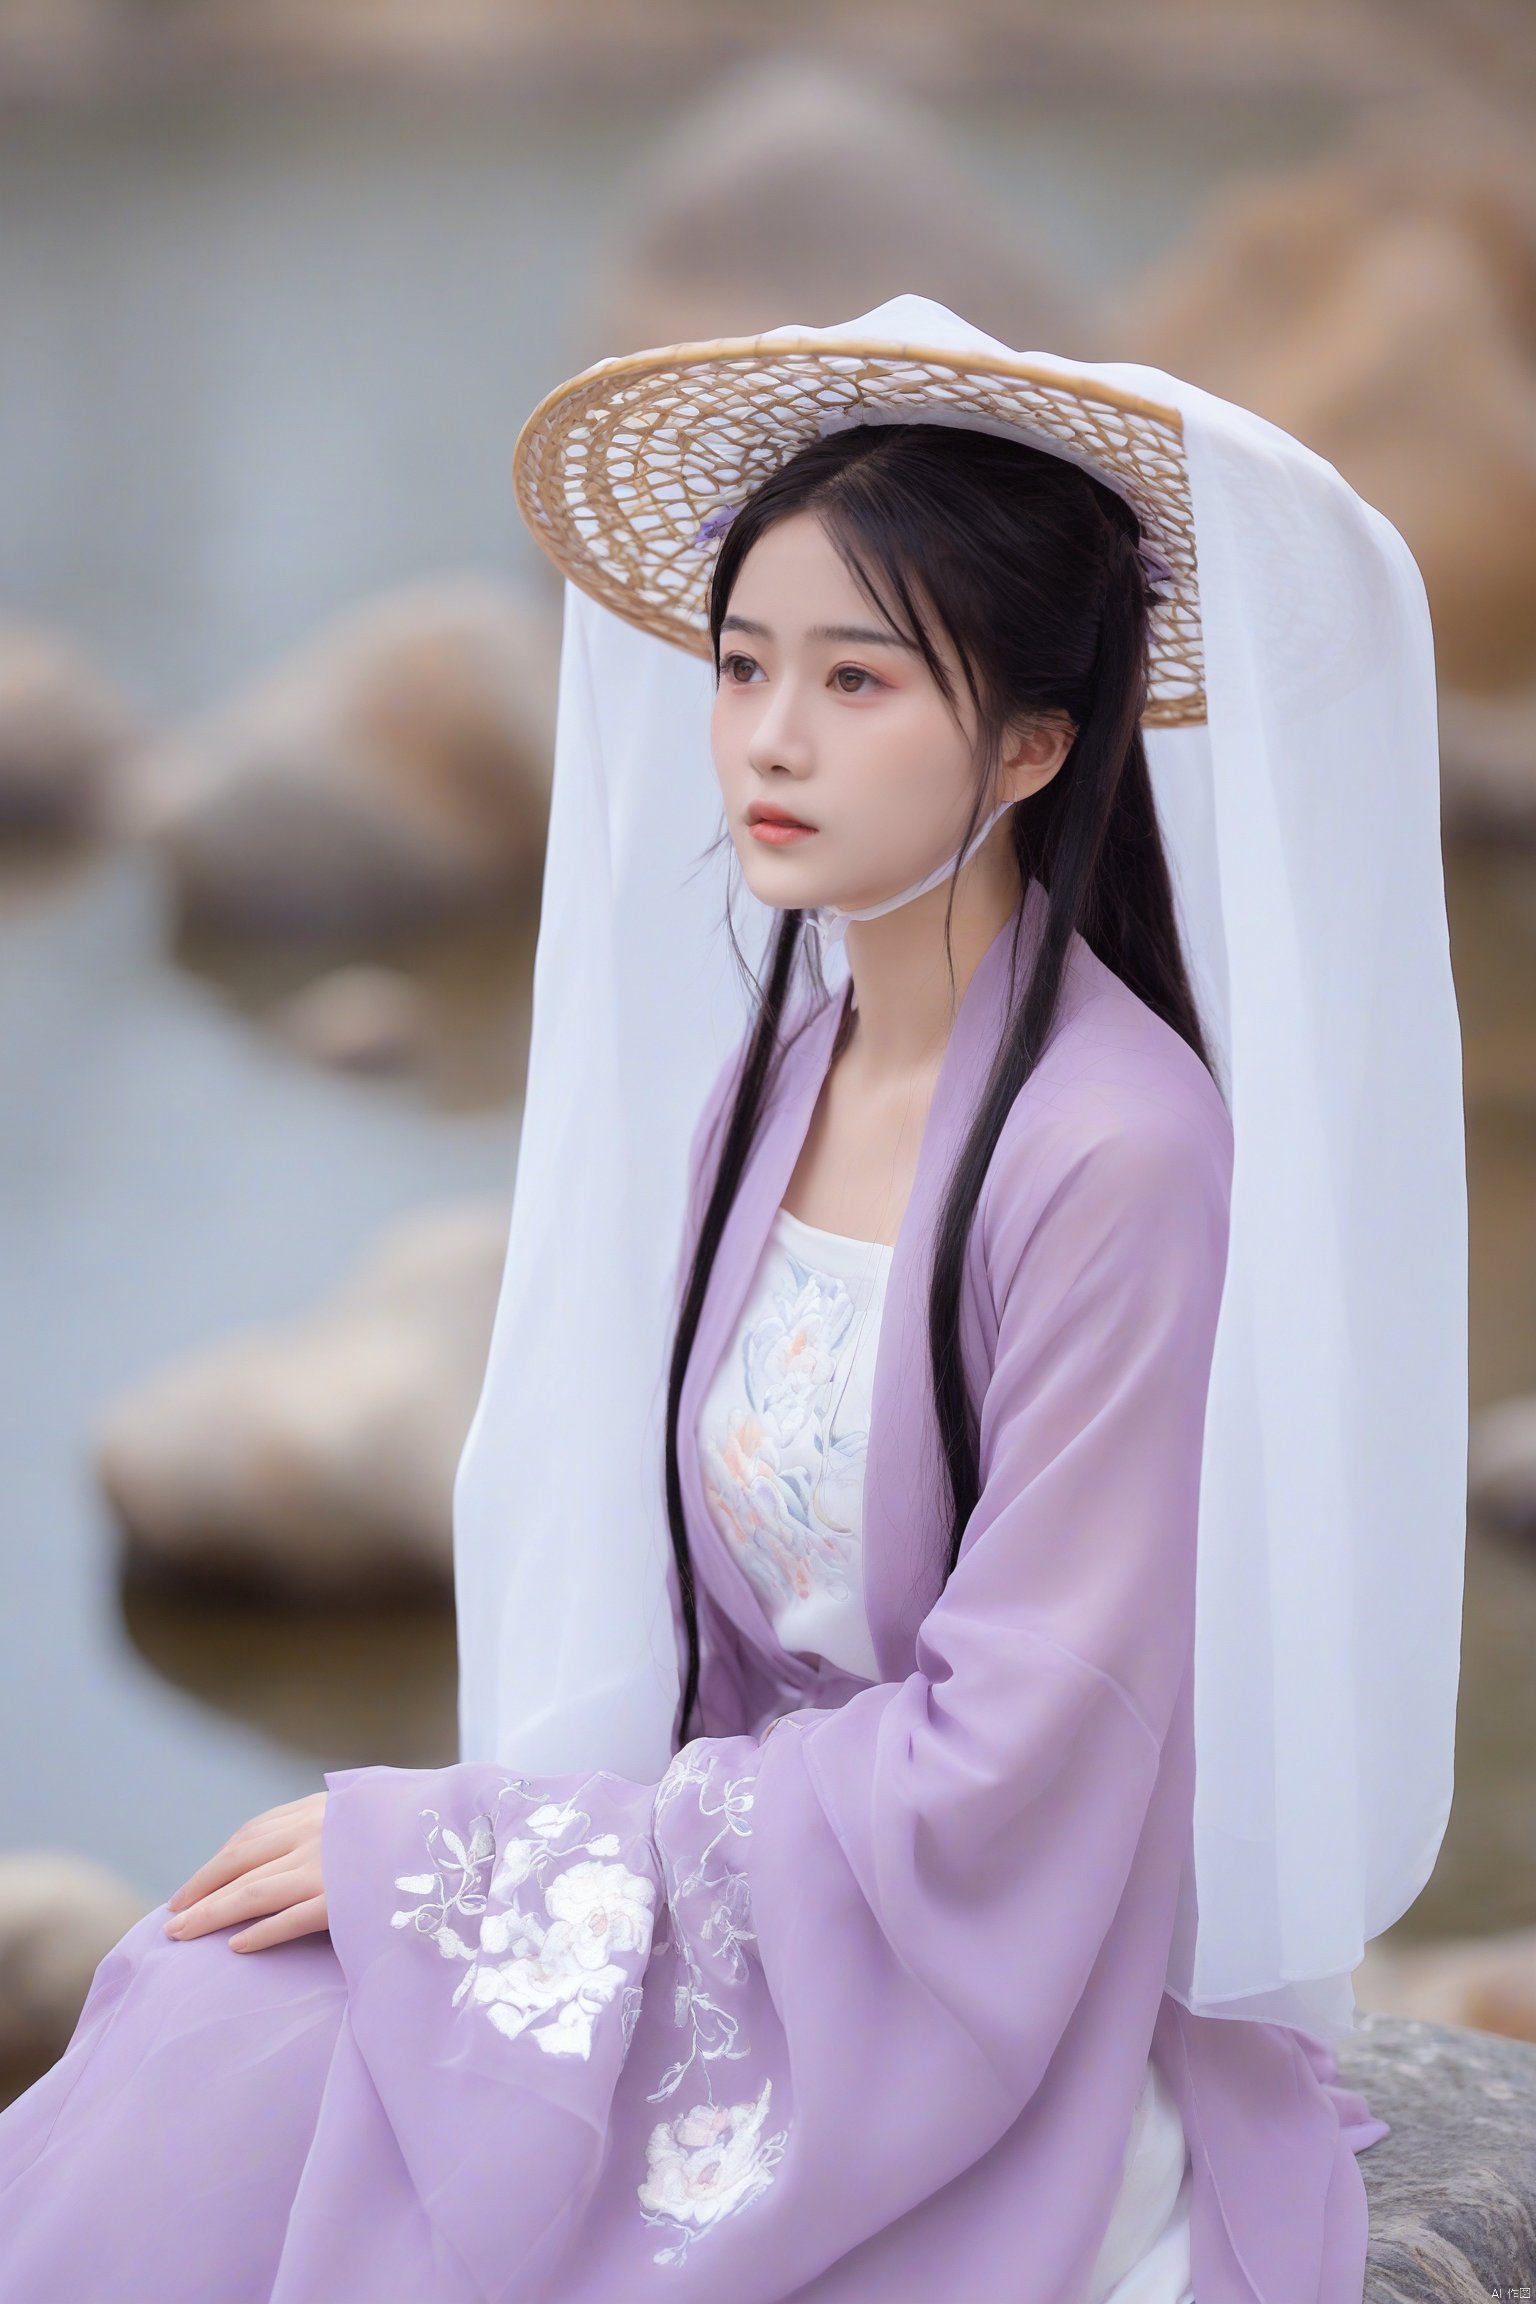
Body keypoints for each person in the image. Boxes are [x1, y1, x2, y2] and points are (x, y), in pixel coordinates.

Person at [0, 297, 1466, 2303]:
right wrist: (484, 1866)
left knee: (272, 2070)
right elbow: (717, 1664)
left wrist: (472, 1866)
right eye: (745, 665)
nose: (770, 738)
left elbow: (1020, 1764)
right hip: (747, 1891)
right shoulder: (777, 1084)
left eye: (859, 679)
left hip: (952, 1976)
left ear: (1032, 744)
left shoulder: (1118, 1152)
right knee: (196, 1994)